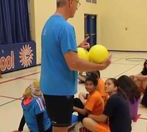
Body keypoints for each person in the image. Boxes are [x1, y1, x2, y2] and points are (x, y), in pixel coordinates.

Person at [40, 0, 111, 131]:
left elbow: (56, 51)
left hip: (49, 87)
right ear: (70, 2)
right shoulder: (66, 27)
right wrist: (100, 66)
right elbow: (74, 64)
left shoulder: (48, 23)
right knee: (60, 129)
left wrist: (76, 47)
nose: (77, 8)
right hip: (60, 90)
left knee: (58, 127)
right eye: (77, 4)